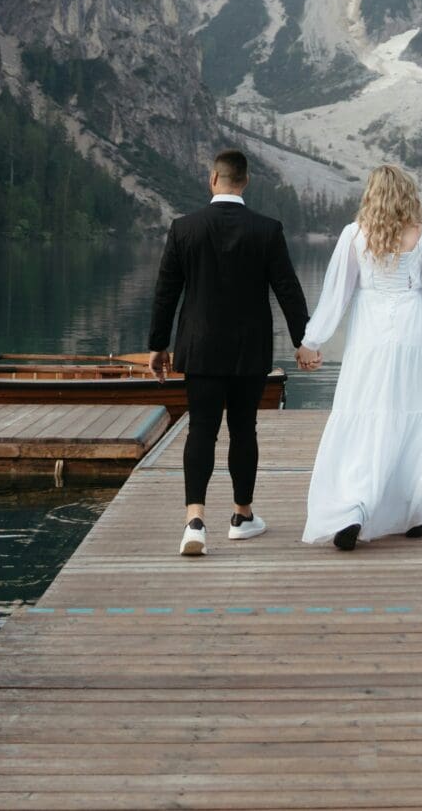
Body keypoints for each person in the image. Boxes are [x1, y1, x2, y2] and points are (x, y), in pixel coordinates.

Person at [297, 163, 422, 550]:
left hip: (370, 340)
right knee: (417, 419)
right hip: (416, 338)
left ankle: (353, 509)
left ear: (372, 194)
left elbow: (337, 295)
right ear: (407, 194)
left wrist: (312, 340)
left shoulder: (354, 235)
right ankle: (413, 511)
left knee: (368, 417)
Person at [148, 148, 311, 557]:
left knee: (200, 428)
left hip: (199, 347)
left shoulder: (184, 228)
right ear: (246, 181)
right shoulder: (266, 229)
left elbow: (166, 292)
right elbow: (287, 289)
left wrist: (157, 345)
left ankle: (194, 521)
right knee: (243, 429)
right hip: (248, 351)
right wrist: (302, 340)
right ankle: (241, 516)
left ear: (212, 179)